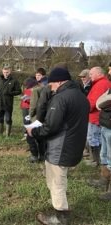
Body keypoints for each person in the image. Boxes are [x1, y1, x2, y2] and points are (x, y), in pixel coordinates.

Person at [26, 67, 89, 225]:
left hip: (60, 148)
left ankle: (60, 217)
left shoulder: (61, 98)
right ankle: (61, 205)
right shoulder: (81, 96)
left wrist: (33, 132)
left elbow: (50, 126)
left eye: (52, 84)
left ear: (60, 82)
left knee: (56, 181)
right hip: (74, 145)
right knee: (60, 179)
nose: (51, 87)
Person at [86, 67, 111, 166]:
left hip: (95, 117)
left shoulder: (100, 84)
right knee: (97, 139)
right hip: (99, 117)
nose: (90, 76)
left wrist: (84, 109)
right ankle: (97, 161)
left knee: (94, 139)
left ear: (99, 74)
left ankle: (96, 161)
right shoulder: (102, 83)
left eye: (91, 74)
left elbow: (94, 102)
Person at [0, 66, 21, 136]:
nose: (5, 74)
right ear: (2, 72)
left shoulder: (14, 81)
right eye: (4, 72)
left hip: (8, 104)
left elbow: (19, 91)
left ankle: (7, 134)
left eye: (7, 72)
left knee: (8, 119)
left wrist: (10, 93)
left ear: (10, 72)